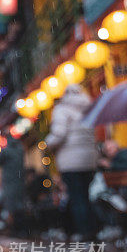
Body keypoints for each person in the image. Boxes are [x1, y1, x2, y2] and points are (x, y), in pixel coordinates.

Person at [45, 84, 97, 239]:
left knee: (76, 197)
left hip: (71, 161)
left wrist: (47, 143)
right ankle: (92, 231)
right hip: (89, 160)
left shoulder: (62, 109)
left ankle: (83, 232)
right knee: (86, 196)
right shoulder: (89, 108)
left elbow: (59, 134)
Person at [0, 135, 25, 234]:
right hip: (20, 181)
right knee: (20, 205)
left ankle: (14, 228)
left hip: (9, 181)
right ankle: (22, 228)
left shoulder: (6, 151)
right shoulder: (20, 150)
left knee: (11, 206)